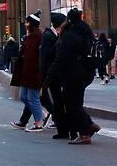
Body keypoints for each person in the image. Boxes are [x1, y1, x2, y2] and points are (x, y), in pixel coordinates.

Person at [47, 8, 100, 145]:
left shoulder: (70, 35)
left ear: (69, 20)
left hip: (73, 74)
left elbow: (62, 57)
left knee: (71, 104)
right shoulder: (85, 32)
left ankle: (85, 132)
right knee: (76, 102)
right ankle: (88, 125)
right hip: (86, 73)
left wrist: (51, 73)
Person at [10, 10, 45, 132]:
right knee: (23, 97)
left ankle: (39, 122)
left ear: (32, 24)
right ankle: (40, 113)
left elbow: (39, 57)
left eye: (27, 22)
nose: (26, 24)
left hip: (34, 73)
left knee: (32, 98)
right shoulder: (29, 37)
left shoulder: (39, 37)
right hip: (26, 72)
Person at [42, 11, 74, 140]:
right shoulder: (49, 36)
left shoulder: (59, 35)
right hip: (54, 74)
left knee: (61, 102)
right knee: (59, 103)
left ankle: (64, 129)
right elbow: (46, 56)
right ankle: (63, 130)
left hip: (59, 74)